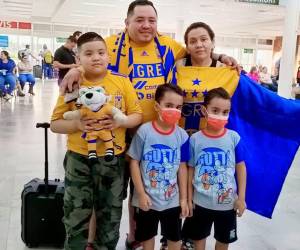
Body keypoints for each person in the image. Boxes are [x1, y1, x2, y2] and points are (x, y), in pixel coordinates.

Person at [59, 1, 238, 249]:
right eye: (140, 20)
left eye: (151, 21)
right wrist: (76, 69)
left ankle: (136, 240)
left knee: (145, 192)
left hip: (156, 135)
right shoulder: (111, 44)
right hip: (116, 136)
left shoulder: (167, 45)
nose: (146, 25)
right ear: (127, 22)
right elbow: (92, 55)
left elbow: (196, 51)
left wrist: (221, 56)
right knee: (101, 196)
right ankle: (90, 242)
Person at [50, 32, 142, 250]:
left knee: (110, 216)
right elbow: (55, 124)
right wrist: (76, 125)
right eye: (88, 53)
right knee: (75, 214)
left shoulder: (121, 82)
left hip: (113, 161)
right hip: (79, 160)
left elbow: (137, 114)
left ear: (108, 57)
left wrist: (122, 122)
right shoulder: (73, 84)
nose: (96, 57)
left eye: (101, 52)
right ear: (78, 59)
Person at [182, 87, 247, 250]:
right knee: (198, 239)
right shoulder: (195, 139)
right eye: (215, 110)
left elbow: (241, 167)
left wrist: (242, 198)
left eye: (225, 112)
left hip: (227, 204)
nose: (220, 115)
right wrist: (189, 199)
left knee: (223, 240)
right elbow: (190, 170)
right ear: (205, 110)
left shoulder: (234, 138)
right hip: (200, 203)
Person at [127, 83, 189, 250]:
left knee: (174, 238)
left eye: (178, 107)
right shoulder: (144, 132)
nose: (174, 111)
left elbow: (183, 168)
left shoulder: (182, 135)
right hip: (147, 200)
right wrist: (140, 194)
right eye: (169, 106)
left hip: (172, 200)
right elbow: (134, 162)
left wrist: (183, 199)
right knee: (147, 238)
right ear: (157, 106)